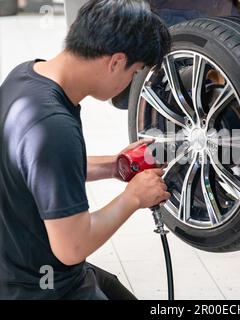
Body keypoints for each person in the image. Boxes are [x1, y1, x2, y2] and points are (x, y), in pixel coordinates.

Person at [0, 0, 171, 300]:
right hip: (41, 286)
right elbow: (72, 248)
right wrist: (133, 197)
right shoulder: (54, 126)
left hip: (19, 263)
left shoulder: (25, 76)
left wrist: (113, 166)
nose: (131, 82)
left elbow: (40, 168)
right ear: (116, 61)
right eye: (135, 73)